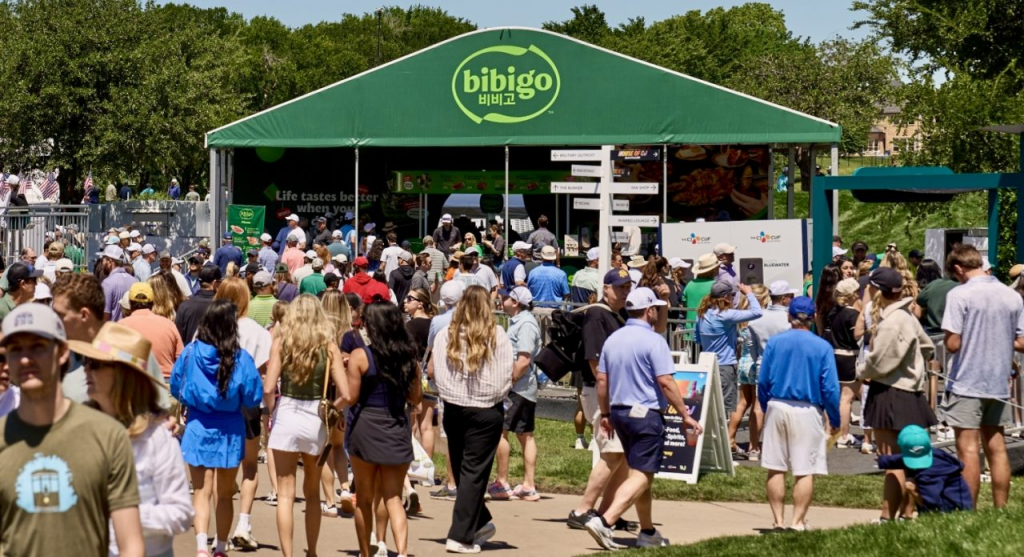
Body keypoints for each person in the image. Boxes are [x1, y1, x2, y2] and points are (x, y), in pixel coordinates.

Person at [0, 304, 146, 556]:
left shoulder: (107, 436)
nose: (25, 358)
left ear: (63, 352)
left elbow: (131, 543)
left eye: (37, 346)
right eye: (15, 350)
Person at [582, 287, 703, 550]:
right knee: (644, 475)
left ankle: (647, 531)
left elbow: (602, 380)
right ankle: (605, 520)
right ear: (649, 310)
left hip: (619, 412)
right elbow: (667, 382)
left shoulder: (613, 339)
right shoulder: (654, 341)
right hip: (646, 414)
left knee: (640, 473)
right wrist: (685, 415)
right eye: (656, 308)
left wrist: (605, 413)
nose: (658, 313)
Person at [71, 322, 193, 556]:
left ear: (123, 375)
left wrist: (123, 510)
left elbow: (181, 515)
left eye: (95, 364)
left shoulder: (157, 438)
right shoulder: (80, 427)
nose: (86, 369)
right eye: (85, 361)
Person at [171, 299, 263, 557]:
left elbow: (176, 386)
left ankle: (201, 546)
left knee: (200, 491)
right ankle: (220, 547)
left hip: (198, 426)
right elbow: (252, 396)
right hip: (230, 430)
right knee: (224, 494)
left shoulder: (190, 353)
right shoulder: (241, 357)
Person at [431, 285, 514, 553]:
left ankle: (481, 521)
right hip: (484, 409)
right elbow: (505, 377)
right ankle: (460, 536)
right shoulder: (496, 335)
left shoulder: (446, 334)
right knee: (472, 473)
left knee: (465, 470)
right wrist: (490, 398)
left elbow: (437, 374)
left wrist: (450, 394)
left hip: (455, 408)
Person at [264, 294, 348, 557]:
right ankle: (311, 551)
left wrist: (271, 410)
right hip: (315, 417)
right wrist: (334, 411)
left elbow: (268, 387)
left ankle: (288, 554)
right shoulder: (329, 346)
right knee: (312, 492)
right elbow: (345, 393)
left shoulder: (281, 343)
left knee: (285, 492)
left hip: (287, 411)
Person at [941, 244, 1024, 508]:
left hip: (967, 380)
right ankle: (1001, 508)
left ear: (958, 268)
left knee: (967, 449)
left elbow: (952, 343)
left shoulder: (959, 294)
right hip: (998, 380)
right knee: (996, 446)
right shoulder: (1011, 296)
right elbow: (1021, 341)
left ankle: (968, 509)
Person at [860, 268, 937, 521]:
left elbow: (880, 361)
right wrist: (912, 364)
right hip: (910, 394)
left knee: (891, 461)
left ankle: (886, 517)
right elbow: (927, 345)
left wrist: (862, 370)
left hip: (891, 394)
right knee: (909, 460)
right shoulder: (907, 316)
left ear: (877, 290)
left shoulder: (892, 321)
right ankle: (907, 513)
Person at [757, 296, 840, 531]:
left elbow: (763, 381)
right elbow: (830, 388)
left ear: (789, 316)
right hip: (807, 408)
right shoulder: (822, 346)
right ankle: (797, 522)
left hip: (777, 404)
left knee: (776, 467)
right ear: (813, 318)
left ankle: (778, 521)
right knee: (805, 469)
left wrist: (766, 406)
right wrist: (834, 418)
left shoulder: (775, 343)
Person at [346, 302, 421, 557]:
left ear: (371, 326)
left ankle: (366, 552)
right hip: (396, 427)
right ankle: (401, 552)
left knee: (364, 498)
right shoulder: (409, 357)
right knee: (394, 497)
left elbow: (352, 397)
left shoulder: (359, 356)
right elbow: (416, 397)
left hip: (365, 427)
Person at [567, 270, 633, 532]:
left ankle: (606, 514)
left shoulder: (621, 315)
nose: (625, 291)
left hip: (612, 392)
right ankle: (582, 510)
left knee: (622, 457)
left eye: (628, 286)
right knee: (612, 454)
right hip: (601, 391)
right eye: (619, 287)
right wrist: (610, 399)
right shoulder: (597, 315)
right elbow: (595, 363)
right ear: (606, 288)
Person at [214, 278, 274, 551]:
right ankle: (243, 522)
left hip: (216, 402)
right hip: (248, 402)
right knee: (250, 466)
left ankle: (220, 533)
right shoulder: (257, 331)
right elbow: (263, 371)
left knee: (221, 469)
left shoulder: (210, 326)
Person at [491, 286, 543, 502]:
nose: (502, 300)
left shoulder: (526, 324)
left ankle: (503, 482)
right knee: (523, 433)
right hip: (519, 387)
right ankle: (526, 485)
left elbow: (523, 359)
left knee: (502, 431)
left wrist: (508, 382)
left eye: (506, 298)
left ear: (516, 302)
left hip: (517, 387)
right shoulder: (520, 321)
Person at [695, 280, 762, 444]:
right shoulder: (726, 315)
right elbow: (757, 312)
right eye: (732, 295)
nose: (733, 298)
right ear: (725, 297)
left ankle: (710, 443)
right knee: (727, 408)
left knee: (708, 407)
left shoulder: (702, 314)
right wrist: (749, 293)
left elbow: (697, 339)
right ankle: (725, 445)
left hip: (706, 364)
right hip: (725, 366)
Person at [877, 425, 973, 514]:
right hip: (963, 504)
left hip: (951, 512)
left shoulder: (928, 475)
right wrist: (883, 460)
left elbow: (933, 508)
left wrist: (914, 492)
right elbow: (903, 458)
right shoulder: (937, 454)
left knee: (911, 485)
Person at [726, 284, 770, 462]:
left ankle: (729, 438)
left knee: (743, 402)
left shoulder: (742, 318)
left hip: (743, 361)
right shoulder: (758, 319)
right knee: (758, 407)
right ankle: (754, 446)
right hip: (755, 363)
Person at [119, 282, 184, 380]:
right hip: (165, 382)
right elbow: (181, 359)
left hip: (134, 382)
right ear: (153, 303)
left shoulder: (122, 325)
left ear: (130, 303)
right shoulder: (169, 325)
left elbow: (110, 355)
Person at [829, 278, 864, 450]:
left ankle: (841, 433)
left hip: (836, 355)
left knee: (846, 396)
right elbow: (857, 336)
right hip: (850, 356)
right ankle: (844, 435)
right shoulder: (852, 315)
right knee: (847, 398)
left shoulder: (834, 312)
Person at [176, 265, 221, 343]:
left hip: (189, 353)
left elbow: (178, 337)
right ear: (214, 283)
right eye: (220, 282)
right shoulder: (223, 307)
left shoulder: (184, 306)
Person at [914, 259, 958, 334]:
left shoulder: (927, 288)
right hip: (952, 329)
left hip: (933, 330)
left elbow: (918, 305)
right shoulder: (953, 284)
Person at [101, 246, 137, 322]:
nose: (102, 264)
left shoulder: (107, 283)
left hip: (113, 331)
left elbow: (105, 315)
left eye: (103, 260)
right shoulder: (134, 281)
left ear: (110, 262)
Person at [683, 254, 719, 330]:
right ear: (713, 269)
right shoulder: (715, 285)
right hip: (709, 328)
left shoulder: (690, 284)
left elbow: (684, 303)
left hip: (691, 327)